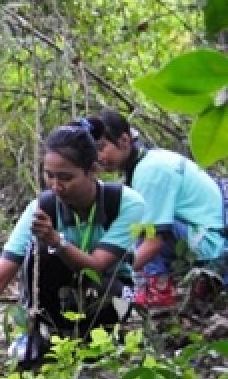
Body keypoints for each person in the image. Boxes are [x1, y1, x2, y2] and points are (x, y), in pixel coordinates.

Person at [0, 123, 145, 368]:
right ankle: (43, 334)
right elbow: (1, 274)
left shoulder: (125, 204)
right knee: (40, 253)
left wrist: (57, 241)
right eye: (50, 176)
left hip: (109, 291)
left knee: (104, 291)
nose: (56, 186)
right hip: (58, 297)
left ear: (93, 171)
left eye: (66, 177)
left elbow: (97, 266)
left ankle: (96, 339)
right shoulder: (43, 207)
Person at [89, 108, 227, 309]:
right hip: (207, 236)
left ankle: (159, 290)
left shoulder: (150, 171)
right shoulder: (149, 161)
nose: (98, 157)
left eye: (102, 148)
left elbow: (153, 242)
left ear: (124, 140)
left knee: (145, 230)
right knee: (136, 228)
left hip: (211, 246)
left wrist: (113, 275)